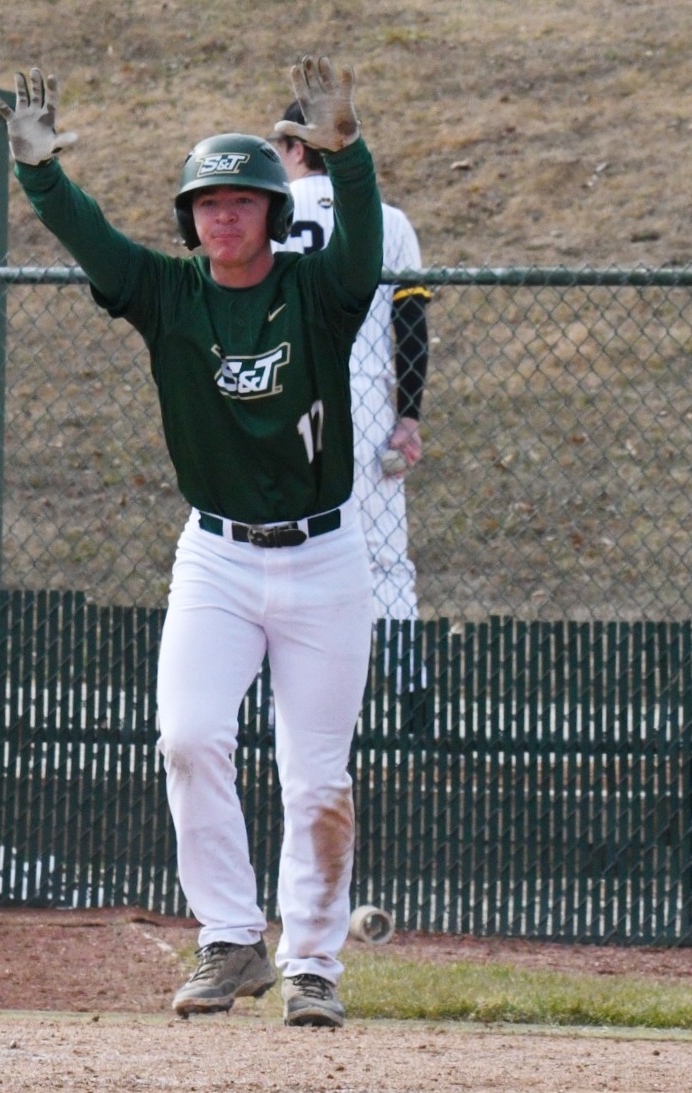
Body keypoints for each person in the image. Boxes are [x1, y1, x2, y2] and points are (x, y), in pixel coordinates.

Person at [0, 57, 380, 1028]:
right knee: (186, 738)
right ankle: (227, 941)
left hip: (324, 557)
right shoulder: (167, 296)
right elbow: (93, 243)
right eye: (204, 204)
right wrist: (38, 173)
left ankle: (313, 966)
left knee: (315, 779)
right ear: (188, 217)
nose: (221, 218)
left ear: (271, 210)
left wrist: (348, 153)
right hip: (216, 556)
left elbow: (364, 253)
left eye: (240, 202)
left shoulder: (316, 294)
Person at [272, 102, 435, 738]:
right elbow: (410, 323)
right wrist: (409, 417)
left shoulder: (268, 213)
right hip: (365, 399)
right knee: (384, 561)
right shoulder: (387, 221)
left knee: (274, 553)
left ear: (293, 147)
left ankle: (273, 711)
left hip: (282, 396)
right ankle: (415, 703)